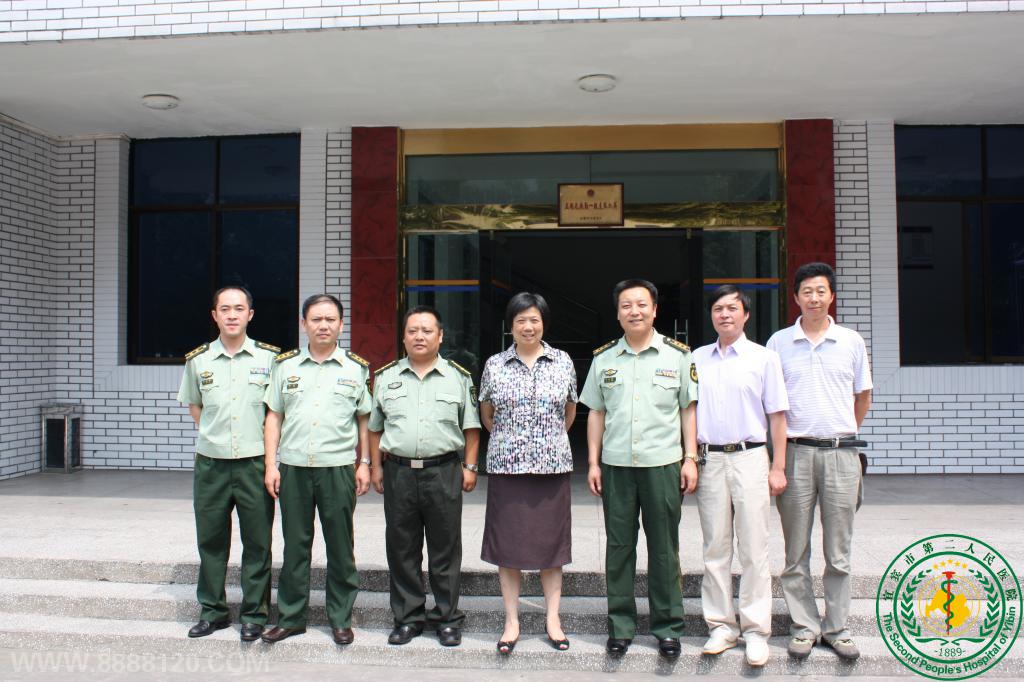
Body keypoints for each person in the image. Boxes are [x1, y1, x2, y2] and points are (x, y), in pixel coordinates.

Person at [578, 278, 698, 660]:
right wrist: (593, 462)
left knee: (664, 550)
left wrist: (690, 457)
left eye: (642, 304)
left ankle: (668, 628)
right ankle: (621, 627)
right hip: (616, 467)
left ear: (655, 310)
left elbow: (688, 410)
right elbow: (596, 413)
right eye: (626, 305)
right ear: (617, 313)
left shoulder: (677, 356)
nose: (635, 311)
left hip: (663, 465)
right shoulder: (604, 359)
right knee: (619, 548)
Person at [766, 262, 872, 661]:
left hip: (841, 454)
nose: (814, 298)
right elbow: (771, 404)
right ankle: (804, 626)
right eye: (807, 291)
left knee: (838, 550)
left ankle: (838, 628)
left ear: (832, 296)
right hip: (796, 453)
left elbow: (863, 395)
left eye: (821, 291)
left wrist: (843, 432)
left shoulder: (851, 341)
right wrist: (777, 460)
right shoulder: (778, 343)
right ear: (796, 297)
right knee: (795, 550)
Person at [260, 293, 372, 646]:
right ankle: (291, 617)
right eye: (316, 319)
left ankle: (340, 618)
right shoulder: (285, 366)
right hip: (294, 468)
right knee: (295, 546)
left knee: (340, 547)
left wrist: (364, 462)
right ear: (303, 323)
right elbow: (273, 416)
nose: (323, 325)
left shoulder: (356, 367)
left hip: (337, 468)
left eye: (330, 319)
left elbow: (364, 419)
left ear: (341, 324)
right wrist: (270, 464)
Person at [369, 305, 481, 648]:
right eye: (412, 331)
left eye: (427, 330)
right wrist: (375, 467)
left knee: (445, 548)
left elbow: (471, 427)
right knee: (402, 547)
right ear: (403, 337)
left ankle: (447, 618)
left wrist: (470, 467)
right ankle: (408, 617)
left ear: (440, 336)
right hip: (398, 472)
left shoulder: (458, 377)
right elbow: (375, 428)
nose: (420, 336)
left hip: (443, 471)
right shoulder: (386, 377)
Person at [692, 285, 789, 667]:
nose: (725, 314)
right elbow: (688, 412)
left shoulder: (764, 358)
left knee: (753, 548)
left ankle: (755, 631)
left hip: (751, 457)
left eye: (732, 308)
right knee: (715, 548)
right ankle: (720, 626)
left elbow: (777, 416)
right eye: (718, 308)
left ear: (745, 314)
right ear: (711, 315)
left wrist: (777, 466)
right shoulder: (697, 358)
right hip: (710, 460)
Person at [177, 286, 278, 641]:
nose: (232, 315)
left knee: (257, 543)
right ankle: (213, 611)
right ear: (214, 315)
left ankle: (254, 614)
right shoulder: (198, 360)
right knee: (211, 541)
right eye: (225, 309)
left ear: (250, 314)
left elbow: (274, 413)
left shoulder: (270, 359)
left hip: (254, 463)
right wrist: (217, 437)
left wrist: (270, 462)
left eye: (239, 308)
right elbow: (195, 407)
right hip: (212, 465)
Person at [478, 292, 577, 655]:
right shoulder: (495, 365)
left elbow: (569, 412)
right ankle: (511, 621)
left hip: (552, 468)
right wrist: (514, 442)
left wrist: (545, 442)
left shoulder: (563, 362)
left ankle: (553, 619)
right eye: (521, 320)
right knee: (509, 548)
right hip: (507, 468)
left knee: (552, 547)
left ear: (543, 323)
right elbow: (487, 414)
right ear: (511, 325)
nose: (528, 326)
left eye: (534, 319)